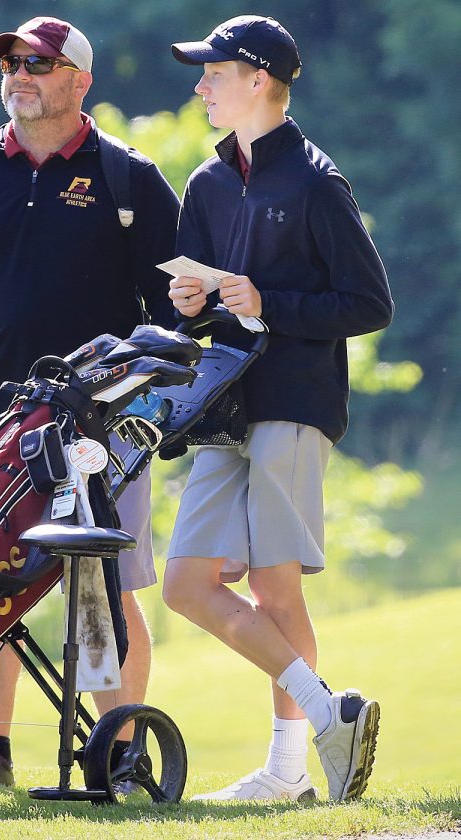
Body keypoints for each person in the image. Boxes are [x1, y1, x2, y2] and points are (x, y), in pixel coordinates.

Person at [0, 16, 181, 788]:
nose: (19, 75)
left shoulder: (128, 177)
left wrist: (151, 410)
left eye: (39, 64)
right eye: (11, 64)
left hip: (99, 428)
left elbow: (173, 308)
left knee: (106, 586)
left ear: (80, 80)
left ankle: (119, 754)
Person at [162, 15, 394, 802]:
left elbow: (368, 303)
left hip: (295, 401)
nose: (201, 85)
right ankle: (331, 714)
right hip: (221, 404)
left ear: (259, 79)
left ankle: (289, 771)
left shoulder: (318, 183)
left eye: (214, 72)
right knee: (186, 584)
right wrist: (188, 304)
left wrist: (270, 303)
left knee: (274, 587)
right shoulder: (206, 183)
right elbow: (194, 314)